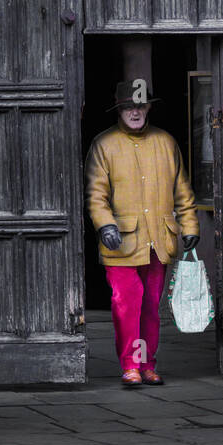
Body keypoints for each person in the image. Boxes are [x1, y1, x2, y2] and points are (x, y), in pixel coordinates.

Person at [85, 81, 199, 387]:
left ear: (148, 107)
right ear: (119, 110)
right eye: (128, 107)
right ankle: (130, 365)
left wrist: (189, 225)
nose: (134, 112)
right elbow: (96, 195)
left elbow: (182, 190)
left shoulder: (165, 141)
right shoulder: (104, 144)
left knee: (150, 306)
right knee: (127, 302)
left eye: (140, 106)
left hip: (157, 241)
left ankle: (147, 365)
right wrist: (105, 224)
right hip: (121, 241)